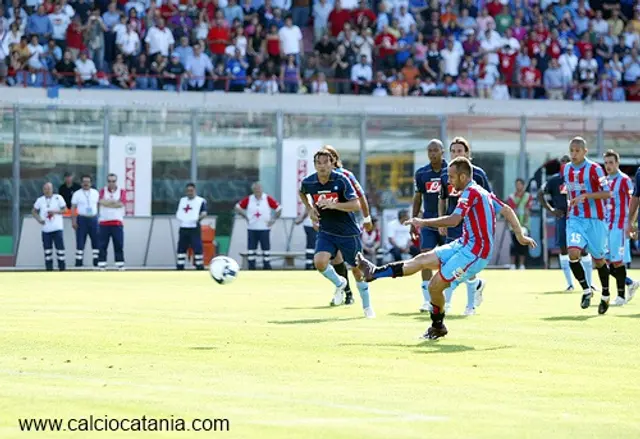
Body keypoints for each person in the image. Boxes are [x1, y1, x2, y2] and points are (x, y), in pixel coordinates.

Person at [356, 157, 536, 338]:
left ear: (463, 177)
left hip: (475, 254)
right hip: (464, 244)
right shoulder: (479, 191)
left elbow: (454, 220)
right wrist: (520, 235)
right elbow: (506, 210)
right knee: (422, 260)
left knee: (435, 287)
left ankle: (438, 327)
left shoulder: (471, 193)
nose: (448, 181)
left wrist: (422, 222)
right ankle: (374, 272)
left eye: (451, 177)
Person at [300, 149, 375, 318]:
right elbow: (302, 192)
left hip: (348, 232)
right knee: (319, 262)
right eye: (318, 163)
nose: (322, 166)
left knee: (357, 270)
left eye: (325, 162)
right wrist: (310, 209)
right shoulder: (310, 182)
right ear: (315, 165)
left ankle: (367, 306)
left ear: (332, 163)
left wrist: (335, 205)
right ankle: (340, 282)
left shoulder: (342, 179)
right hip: (326, 230)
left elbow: (356, 204)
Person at [438, 137, 491, 315]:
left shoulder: (479, 174)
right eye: (453, 151)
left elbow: (489, 200)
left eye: (460, 151)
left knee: (468, 265)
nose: (456, 154)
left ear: (467, 154)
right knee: (449, 262)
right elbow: (443, 198)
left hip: (472, 226)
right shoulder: (447, 173)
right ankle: (447, 303)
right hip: (454, 221)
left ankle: (470, 306)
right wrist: (441, 220)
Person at [563, 136, 611, 314]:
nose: (573, 154)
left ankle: (605, 294)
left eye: (577, 151)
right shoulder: (566, 169)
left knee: (599, 260)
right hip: (575, 219)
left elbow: (607, 193)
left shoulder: (595, 169)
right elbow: (568, 190)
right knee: (573, 253)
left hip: (595, 220)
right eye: (571, 151)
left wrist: (586, 196)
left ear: (585, 152)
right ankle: (586, 290)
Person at [320, 145, 372, 306]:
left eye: (327, 158)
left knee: (355, 264)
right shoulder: (319, 179)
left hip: (347, 225)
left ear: (334, 159)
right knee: (335, 260)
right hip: (328, 226)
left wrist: (366, 217)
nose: (324, 163)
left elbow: (360, 197)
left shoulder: (345, 175)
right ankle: (346, 292)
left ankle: (364, 299)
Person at [538, 155, 595, 291]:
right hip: (563, 217)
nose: (566, 165)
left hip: (579, 217)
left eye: (568, 162)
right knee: (564, 249)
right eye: (563, 162)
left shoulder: (577, 178)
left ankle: (589, 282)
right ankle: (570, 284)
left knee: (582, 249)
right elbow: (540, 193)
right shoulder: (554, 180)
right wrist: (551, 210)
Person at [412, 139, 447, 312]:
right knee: (425, 258)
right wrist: (414, 221)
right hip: (428, 221)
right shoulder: (421, 174)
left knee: (449, 261)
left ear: (443, 151)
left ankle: (446, 298)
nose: (432, 153)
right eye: (429, 151)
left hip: (448, 221)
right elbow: (417, 198)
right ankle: (427, 300)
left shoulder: (452, 171)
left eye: (435, 150)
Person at [603, 150, 639, 305]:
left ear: (617, 163)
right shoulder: (603, 181)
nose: (608, 166)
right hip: (605, 226)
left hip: (620, 225)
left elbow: (634, 202)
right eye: (606, 163)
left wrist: (631, 224)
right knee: (603, 260)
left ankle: (621, 296)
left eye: (611, 162)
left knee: (617, 261)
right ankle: (630, 282)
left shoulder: (624, 180)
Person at [235, 182, 282, 270]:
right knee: (251, 249)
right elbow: (237, 207)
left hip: (264, 228)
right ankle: (251, 266)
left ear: (261, 189)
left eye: (259, 189)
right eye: (255, 190)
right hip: (252, 228)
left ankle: (266, 266)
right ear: (253, 190)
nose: (257, 191)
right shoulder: (249, 199)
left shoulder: (267, 198)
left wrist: (273, 219)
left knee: (266, 248)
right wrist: (245, 216)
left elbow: (279, 208)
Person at [32, 182, 67, 271]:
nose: (47, 190)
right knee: (47, 251)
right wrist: (39, 219)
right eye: (45, 189)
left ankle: (62, 268)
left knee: (60, 249)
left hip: (57, 228)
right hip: (46, 229)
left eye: (49, 188)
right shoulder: (40, 200)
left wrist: (55, 212)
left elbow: (65, 210)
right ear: (43, 190)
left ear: (52, 189)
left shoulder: (58, 198)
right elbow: (34, 211)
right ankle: (49, 269)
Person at [97, 173, 126, 271]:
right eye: (109, 181)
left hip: (117, 222)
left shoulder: (121, 191)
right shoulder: (102, 191)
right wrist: (114, 203)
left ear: (116, 181)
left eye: (113, 181)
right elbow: (101, 202)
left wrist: (108, 203)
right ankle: (102, 264)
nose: (111, 183)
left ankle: (120, 264)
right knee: (102, 245)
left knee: (118, 244)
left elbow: (121, 204)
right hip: (104, 223)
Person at [176, 182, 207, 270]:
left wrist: (197, 219)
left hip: (194, 227)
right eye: (188, 191)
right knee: (181, 247)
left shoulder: (200, 201)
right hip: (183, 226)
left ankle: (199, 266)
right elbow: (179, 212)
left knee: (197, 247)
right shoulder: (182, 200)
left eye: (191, 190)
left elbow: (204, 213)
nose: (190, 192)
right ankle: (180, 266)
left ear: (195, 191)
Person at [71, 175, 100, 267]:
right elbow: (73, 208)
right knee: (80, 242)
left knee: (96, 241)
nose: (86, 183)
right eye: (84, 182)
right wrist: (74, 221)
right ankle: (79, 263)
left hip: (93, 219)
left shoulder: (95, 193)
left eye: (88, 182)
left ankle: (96, 262)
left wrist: (99, 217)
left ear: (91, 183)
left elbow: (99, 205)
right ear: (81, 183)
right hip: (82, 219)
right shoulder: (77, 194)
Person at [507, 178, 533, 270]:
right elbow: (511, 210)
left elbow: (527, 210)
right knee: (514, 245)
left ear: (523, 185)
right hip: (513, 226)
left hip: (525, 225)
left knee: (523, 244)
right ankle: (513, 264)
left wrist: (525, 224)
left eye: (520, 184)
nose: (518, 186)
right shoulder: (511, 197)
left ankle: (522, 264)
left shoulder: (528, 196)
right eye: (516, 184)